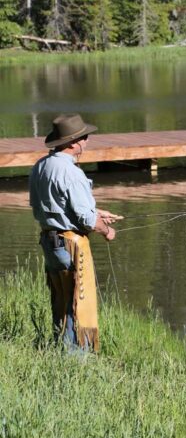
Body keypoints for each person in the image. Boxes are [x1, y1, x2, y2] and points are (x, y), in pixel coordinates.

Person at [29, 114, 121, 353]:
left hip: (50, 242)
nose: (87, 141)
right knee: (77, 303)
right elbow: (87, 220)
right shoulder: (71, 172)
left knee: (61, 300)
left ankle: (60, 349)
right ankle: (75, 360)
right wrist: (106, 230)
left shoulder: (41, 166)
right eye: (85, 137)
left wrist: (97, 211)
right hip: (70, 244)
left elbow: (50, 204)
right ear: (73, 142)